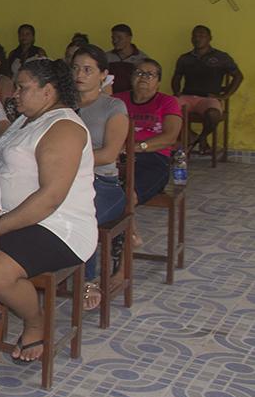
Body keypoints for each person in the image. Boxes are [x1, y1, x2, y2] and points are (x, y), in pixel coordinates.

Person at [0, 59, 95, 364]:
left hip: (59, 226)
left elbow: (50, 198)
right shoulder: (27, 119)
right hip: (17, 218)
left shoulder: (63, 127)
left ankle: (36, 321)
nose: (15, 94)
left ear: (48, 91)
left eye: (22, 88)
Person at [71, 45, 129, 310]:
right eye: (75, 68)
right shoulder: (62, 104)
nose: (79, 74)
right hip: (64, 179)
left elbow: (108, 154)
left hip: (102, 183)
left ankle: (88, 278)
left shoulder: (113, 107)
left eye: (87, 69)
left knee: (82, 213)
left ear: (103, 75)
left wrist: (64, 159)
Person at [116, 60, 183, 205]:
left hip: (153, 157)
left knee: (128, 195)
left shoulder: (167, 102)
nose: (143, 77)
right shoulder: (117, 100)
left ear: (158, 82)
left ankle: (125, 224)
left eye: (150, 74)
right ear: (131, 78)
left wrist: (136, 147)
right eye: (139, 73)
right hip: (117, 154)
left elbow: (170, 137)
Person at [172, 25, 243, 152]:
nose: (197, 39)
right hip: (187, 97)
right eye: (195, 36)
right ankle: (191, 136)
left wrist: (225, 96)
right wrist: (176, 92)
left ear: (210, 38)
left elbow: (238, 76)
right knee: (168, 109)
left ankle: (201, 138)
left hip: (208, 98)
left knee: (213, 115)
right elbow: (177, 77)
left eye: (201, 36)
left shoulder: (221, 57)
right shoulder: (185, 58)